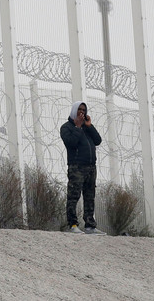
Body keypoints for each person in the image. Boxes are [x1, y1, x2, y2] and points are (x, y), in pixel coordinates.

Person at [60, 101, 105, 235]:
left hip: (91, 167)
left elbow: (97, 140)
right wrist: (78, 127)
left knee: (89, 196)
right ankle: (73, 224)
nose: (82, 112)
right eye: (79, 110)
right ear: (74, 111)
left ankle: (90, 225)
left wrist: (89, 126)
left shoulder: (87, 127)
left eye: (84, 110)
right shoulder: (67, 127)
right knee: (74, 196)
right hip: (77, 166)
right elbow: (71, 143)